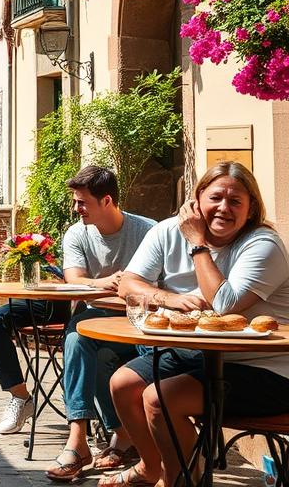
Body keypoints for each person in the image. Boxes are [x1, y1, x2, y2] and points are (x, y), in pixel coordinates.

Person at [106, 162, 289, 487]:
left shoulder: (263, 245)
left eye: (235, 202)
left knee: (160, 399)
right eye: (216, 197)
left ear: (251, 209)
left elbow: (225, 303)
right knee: (122, 384)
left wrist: (197, 243)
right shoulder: (166, 231)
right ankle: (151, 467)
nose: (223, 208)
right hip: (198, 356)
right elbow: (128, 284)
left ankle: (182, 479)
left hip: (267, 367)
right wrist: (168, 298)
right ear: (197, 199)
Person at [41, 166, 156, 483]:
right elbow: (74, 279)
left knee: (124, 358)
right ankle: (77, 441)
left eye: (82, 202)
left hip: (141, 322)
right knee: (78, 336)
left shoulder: (148, 231)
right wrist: (110, 281)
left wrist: (131, 288)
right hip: (98, 318)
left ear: (107, 200)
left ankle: (133, 437)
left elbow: (161, 283)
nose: (76, 209)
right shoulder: (77, 233)